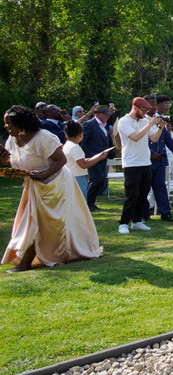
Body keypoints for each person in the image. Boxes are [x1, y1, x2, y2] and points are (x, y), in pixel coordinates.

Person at [1, 106, 103, 272]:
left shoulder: (44, 138)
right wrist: (6, 163)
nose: (5, 126)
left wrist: (43, 175)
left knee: (41, 223)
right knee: (33, 221)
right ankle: (28, 261)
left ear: (20, 124)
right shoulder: (12, 140)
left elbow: (60, 160)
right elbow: (19, 163)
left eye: (8, 123)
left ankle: (25, 263)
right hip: (34, 186)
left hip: (56, 185)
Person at [117, 98, 163, 234]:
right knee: (132, 195)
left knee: (143, 195)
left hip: (145, 162)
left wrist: (160, 127)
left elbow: (154, 138)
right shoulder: (123, 122)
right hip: (131, 163)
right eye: (143, 111)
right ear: (135, 108)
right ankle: (124, 223)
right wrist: (150, 124)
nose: (145, 114)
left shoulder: (144, 121)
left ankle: (137, 221)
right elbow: (135, 137)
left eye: (147, 111)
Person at [145, 96, 173, 223]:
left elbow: (167, 139)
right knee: (144, 188)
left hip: (160, 160)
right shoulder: (141, 120)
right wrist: (151, 153)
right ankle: (145, 213)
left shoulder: (159, 119)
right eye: (152, 105)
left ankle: (165, 213)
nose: (154, 108)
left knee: (161, 187)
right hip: (147, 160)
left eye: (155, 105)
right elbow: (139, 140)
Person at [62, 120, 110, 201]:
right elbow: (83, 165)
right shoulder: (74, 147)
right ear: (80, 134)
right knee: (79, 203)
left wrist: (88, 159)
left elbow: (78, 161)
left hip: (71, 177)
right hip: (77, 178)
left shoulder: (67, 145)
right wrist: (99, 158)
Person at [81, 104, 115, 212]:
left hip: (102, 158)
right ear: (98, 114)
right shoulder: (89, 124)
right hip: (94, 158)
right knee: (96, 180)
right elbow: (82, 141)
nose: (108, 116)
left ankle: (90, 203)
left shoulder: (103, 125)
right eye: (106, 114)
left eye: (108, 115)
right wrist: (90, 155)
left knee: (99, 180)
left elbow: (106, 140)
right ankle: (87, 203)